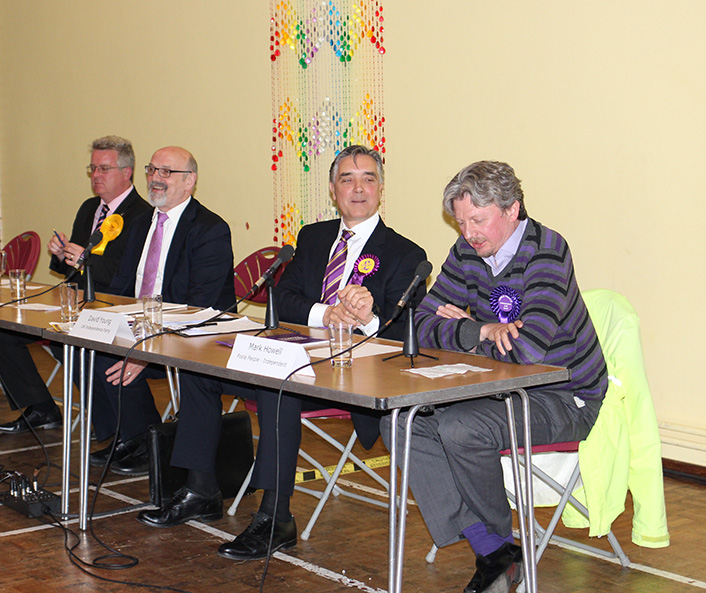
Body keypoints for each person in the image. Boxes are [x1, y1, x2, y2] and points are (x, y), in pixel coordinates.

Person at [136, 145, 427, 561]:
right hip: (296, 351)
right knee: (200, 366)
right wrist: (328, 313)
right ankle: (201, 488)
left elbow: (402, 329)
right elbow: (283, 298)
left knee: (277, 388)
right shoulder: (313, 237)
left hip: (352, 369)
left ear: (381, 188)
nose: (358, 188)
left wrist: (365, 318)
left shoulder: (405, 253)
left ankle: (276, 518)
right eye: (347, 179)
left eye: (367, 179)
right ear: (332, 189)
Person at [382, 161, 606, 593]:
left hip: (564, 396)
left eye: (478, 220)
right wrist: (480, 329)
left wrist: (467, 331)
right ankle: (496, 550)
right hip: (495, 388)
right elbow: (423, 326)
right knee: (399, 421)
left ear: (512, 209)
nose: (468, 233)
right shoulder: (467, 252)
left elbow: (527, 349)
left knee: (461, 427)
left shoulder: (548, 250)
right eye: (461, 221)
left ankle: (496, 550)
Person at [0, 136, 152, 434]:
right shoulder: (90, 208)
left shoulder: (142, 214)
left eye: (104, 169)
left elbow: (123, 276)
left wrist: (84, 261)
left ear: (127, 172)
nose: (96, 176)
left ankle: (116, 431)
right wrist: (62, 253)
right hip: (74, 300)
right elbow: (71, 268)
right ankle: (40, 406)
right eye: (92, 169)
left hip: (113, 304)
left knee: (73, 346)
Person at [89, 145, 235, 476]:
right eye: (152, 170)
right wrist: (97, 320)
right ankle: (139, 438)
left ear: (190, 181)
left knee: (123, 358)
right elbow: (122, 286)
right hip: (142, 324)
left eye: (167, 172)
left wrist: (148, 348)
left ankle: (148, 443)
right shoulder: (140, 224)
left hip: (193, 336)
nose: (156, 178)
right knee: (95, 350)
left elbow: (199, 307)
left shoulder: (210, 229)